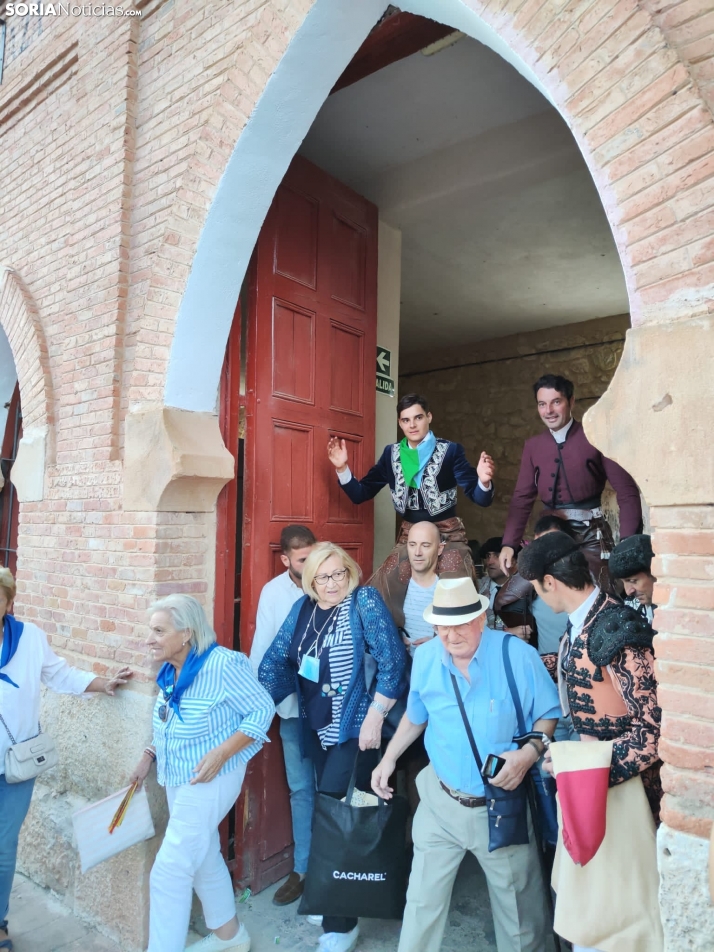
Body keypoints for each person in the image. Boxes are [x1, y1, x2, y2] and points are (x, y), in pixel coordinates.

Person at [372, 577, 561, 952]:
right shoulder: (427, 657)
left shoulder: (515, 655)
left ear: (480, 618)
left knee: (519, 915)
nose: (452, 635)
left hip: (499, 807)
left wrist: (526, 756)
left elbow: (548, 715)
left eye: (460, 624)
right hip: (441, 801)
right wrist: (388, 759)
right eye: (443, 626)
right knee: (421, 903)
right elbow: (416, 716)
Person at [517, 532, 663, 951]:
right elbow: (578, 671)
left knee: (617, 918)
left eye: (537, 589)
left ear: (550, 582)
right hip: (592, 784)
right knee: (591, 913)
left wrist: (580, 766)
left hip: (624, 793)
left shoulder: (617, 626)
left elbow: (651, 731)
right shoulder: (584, 622)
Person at [259, 542, 406, 952]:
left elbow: (392, 661)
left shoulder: (365, 601)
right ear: (310, 580)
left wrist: (375, 716)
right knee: (332, 814)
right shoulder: (303, 610)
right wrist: (250, 712)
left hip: (357, 730)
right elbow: (275, 663)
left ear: (350, 573)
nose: (332, 583)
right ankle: (335, 900)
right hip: (318, 730)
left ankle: (342, 924)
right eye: (323, 576)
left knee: (341, 815)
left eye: (339, 574)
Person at [130, 594, 274, 952]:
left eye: (159, 630)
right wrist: (150, 753)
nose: (150, 638)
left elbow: (262, 710)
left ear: (187, 634)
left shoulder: (224, 665)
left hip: (212, 777)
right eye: (151, 629)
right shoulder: (170, 670)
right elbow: (169, 723)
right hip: (177, 775)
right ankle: (231, 937)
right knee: (204, 854)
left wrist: (223, 751)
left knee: (170, 869)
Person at [0, 567, 133, 952]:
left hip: (14, 768)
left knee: (4, 848)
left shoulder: (29, 640)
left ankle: (0, 923)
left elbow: (60, 675)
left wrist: (103, 683)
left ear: (10, 603)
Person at [328, 393, 494, 588]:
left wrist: (483, 481)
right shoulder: (391, 454)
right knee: (383, 589)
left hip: (448, 535)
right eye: (406, 420)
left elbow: (480, 498)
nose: (412, 425)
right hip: (410, 537)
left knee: (456, 593)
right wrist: (342, 469)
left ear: (429, 417)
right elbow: (360, 494)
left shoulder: (450, 451)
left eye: (418, 417)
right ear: (400, 423)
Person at [499, 374, 642, 587]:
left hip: (590, 535)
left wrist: (627, 542)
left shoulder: (595, 437)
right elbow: (522, 498)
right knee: (509, 599)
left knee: (601, 597)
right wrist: (509, 543)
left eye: (556, 402)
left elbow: (627, 491)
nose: (549, 411)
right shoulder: (533, 446)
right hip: (547, 536)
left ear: (571, 401)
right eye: (542, 404)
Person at [249, 524, 317, 907]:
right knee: (301, 789)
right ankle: (303, 869)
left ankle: (336, 869)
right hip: (292, 709)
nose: (311, 567)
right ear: (286, 559)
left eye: (314, 556)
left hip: (332, 709)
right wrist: (262, 707)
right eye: (303, 560)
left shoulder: (331, 581)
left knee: (335, 789)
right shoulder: (273, 593)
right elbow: (263, 652)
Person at [478, 537, 533, 642]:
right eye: (488, 556)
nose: (489, 562)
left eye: (497, 556)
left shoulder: (527, 588)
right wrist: (507, 631)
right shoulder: (476, 588)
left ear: (512, 561)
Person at [609, 534, 656, 623]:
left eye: (633, 581)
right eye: (623, 582)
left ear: (654, 573)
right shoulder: (630, 609)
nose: (628, 591)